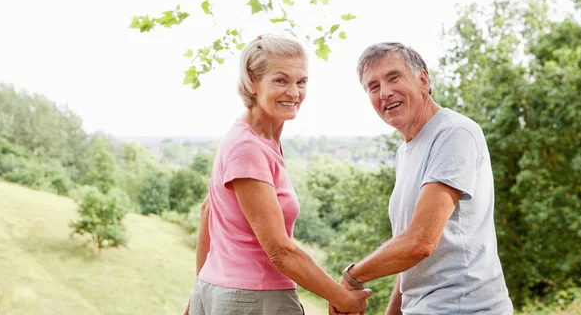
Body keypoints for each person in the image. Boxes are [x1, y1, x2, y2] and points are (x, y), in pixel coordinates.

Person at [185, 34, 372, 315]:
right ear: (252, 80)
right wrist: (342, 298)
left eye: (301, 81)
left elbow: (207, 210)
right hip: (253, 301)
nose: (294, 93)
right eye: (281, 80)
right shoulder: (247, 147)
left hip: (227, 295)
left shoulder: (255, 137)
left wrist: (203, 288)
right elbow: (280, 250)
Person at [334, 42, 513, 314]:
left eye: (394, 77)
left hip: (465, 307)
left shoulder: (455, 134)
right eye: (373, 86)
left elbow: (420, 242)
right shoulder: (405, 152)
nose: (385, 92)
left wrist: (351, 278)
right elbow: (407, 252)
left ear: (423, 80)